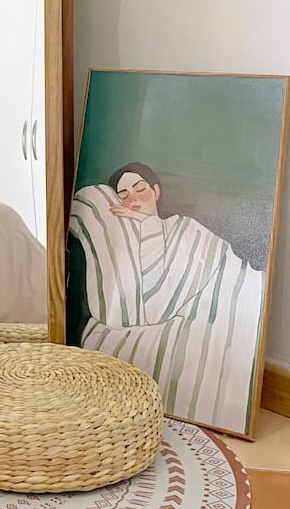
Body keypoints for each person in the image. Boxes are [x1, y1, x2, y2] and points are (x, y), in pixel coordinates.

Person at [68, 162, 265, 435]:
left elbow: (215, 258)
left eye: (140, 189)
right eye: (124, 195)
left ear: (156, 191)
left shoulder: (183, 226)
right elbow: (152, 302)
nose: (134, 199)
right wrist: (145, 225)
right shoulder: (126, 237)